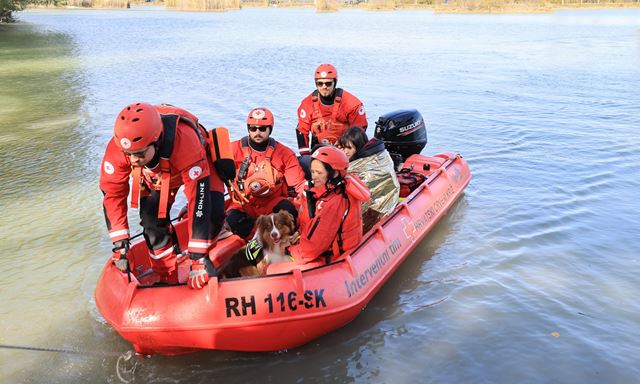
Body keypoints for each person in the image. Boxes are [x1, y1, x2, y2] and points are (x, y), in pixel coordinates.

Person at [99, 102, 227, 290]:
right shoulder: (118, 148)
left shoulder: (185, 141)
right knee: (151, 224)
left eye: (139, 154)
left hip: (196, 163)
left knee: (213, 214)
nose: (133, 160)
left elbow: (198, 200)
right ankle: (167, 276)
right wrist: (120, 244)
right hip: (157, 174)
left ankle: (210, 250)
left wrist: (198, 258)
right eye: (129, 154)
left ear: (156, 140)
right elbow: (112, 194)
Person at [226, 107, 306, 241]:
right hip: (244, 205)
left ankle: (283, 241)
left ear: (270, 129)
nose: (257, 132)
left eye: (262, 129)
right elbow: (212, 178)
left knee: (289, 210)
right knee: (232, 220)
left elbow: (299, 185)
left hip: (272, 204)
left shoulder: (285, 154)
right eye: (253, 128)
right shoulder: (232, 150)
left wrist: (309, 204)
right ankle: (256, 242)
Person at [288, 146, 371, 266]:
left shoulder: (335, 201)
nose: (314, 177)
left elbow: (314, 246)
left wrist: (289, 252)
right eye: (312, 171)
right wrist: (298, 234)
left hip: (332, 257)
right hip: (314, 246)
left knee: (272, 267)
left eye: (319, 173)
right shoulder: (324, 191)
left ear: (334, 173)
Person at [296, 64, 368, 177]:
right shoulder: (307, 104)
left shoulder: (352, 104)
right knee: (300, 163)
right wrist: (307, 157)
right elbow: (302, 130)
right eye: (320, 83)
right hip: (319, 152)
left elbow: (359, 132)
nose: (324, 87)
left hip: (344, 153)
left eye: (328, 83)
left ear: (335, 83)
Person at [338, 126, 400, 233]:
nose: (345, 152)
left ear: (359, 147)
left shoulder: (365, 167)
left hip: (379, 209)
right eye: (343, 148)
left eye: (349, 148)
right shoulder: (371, 156)